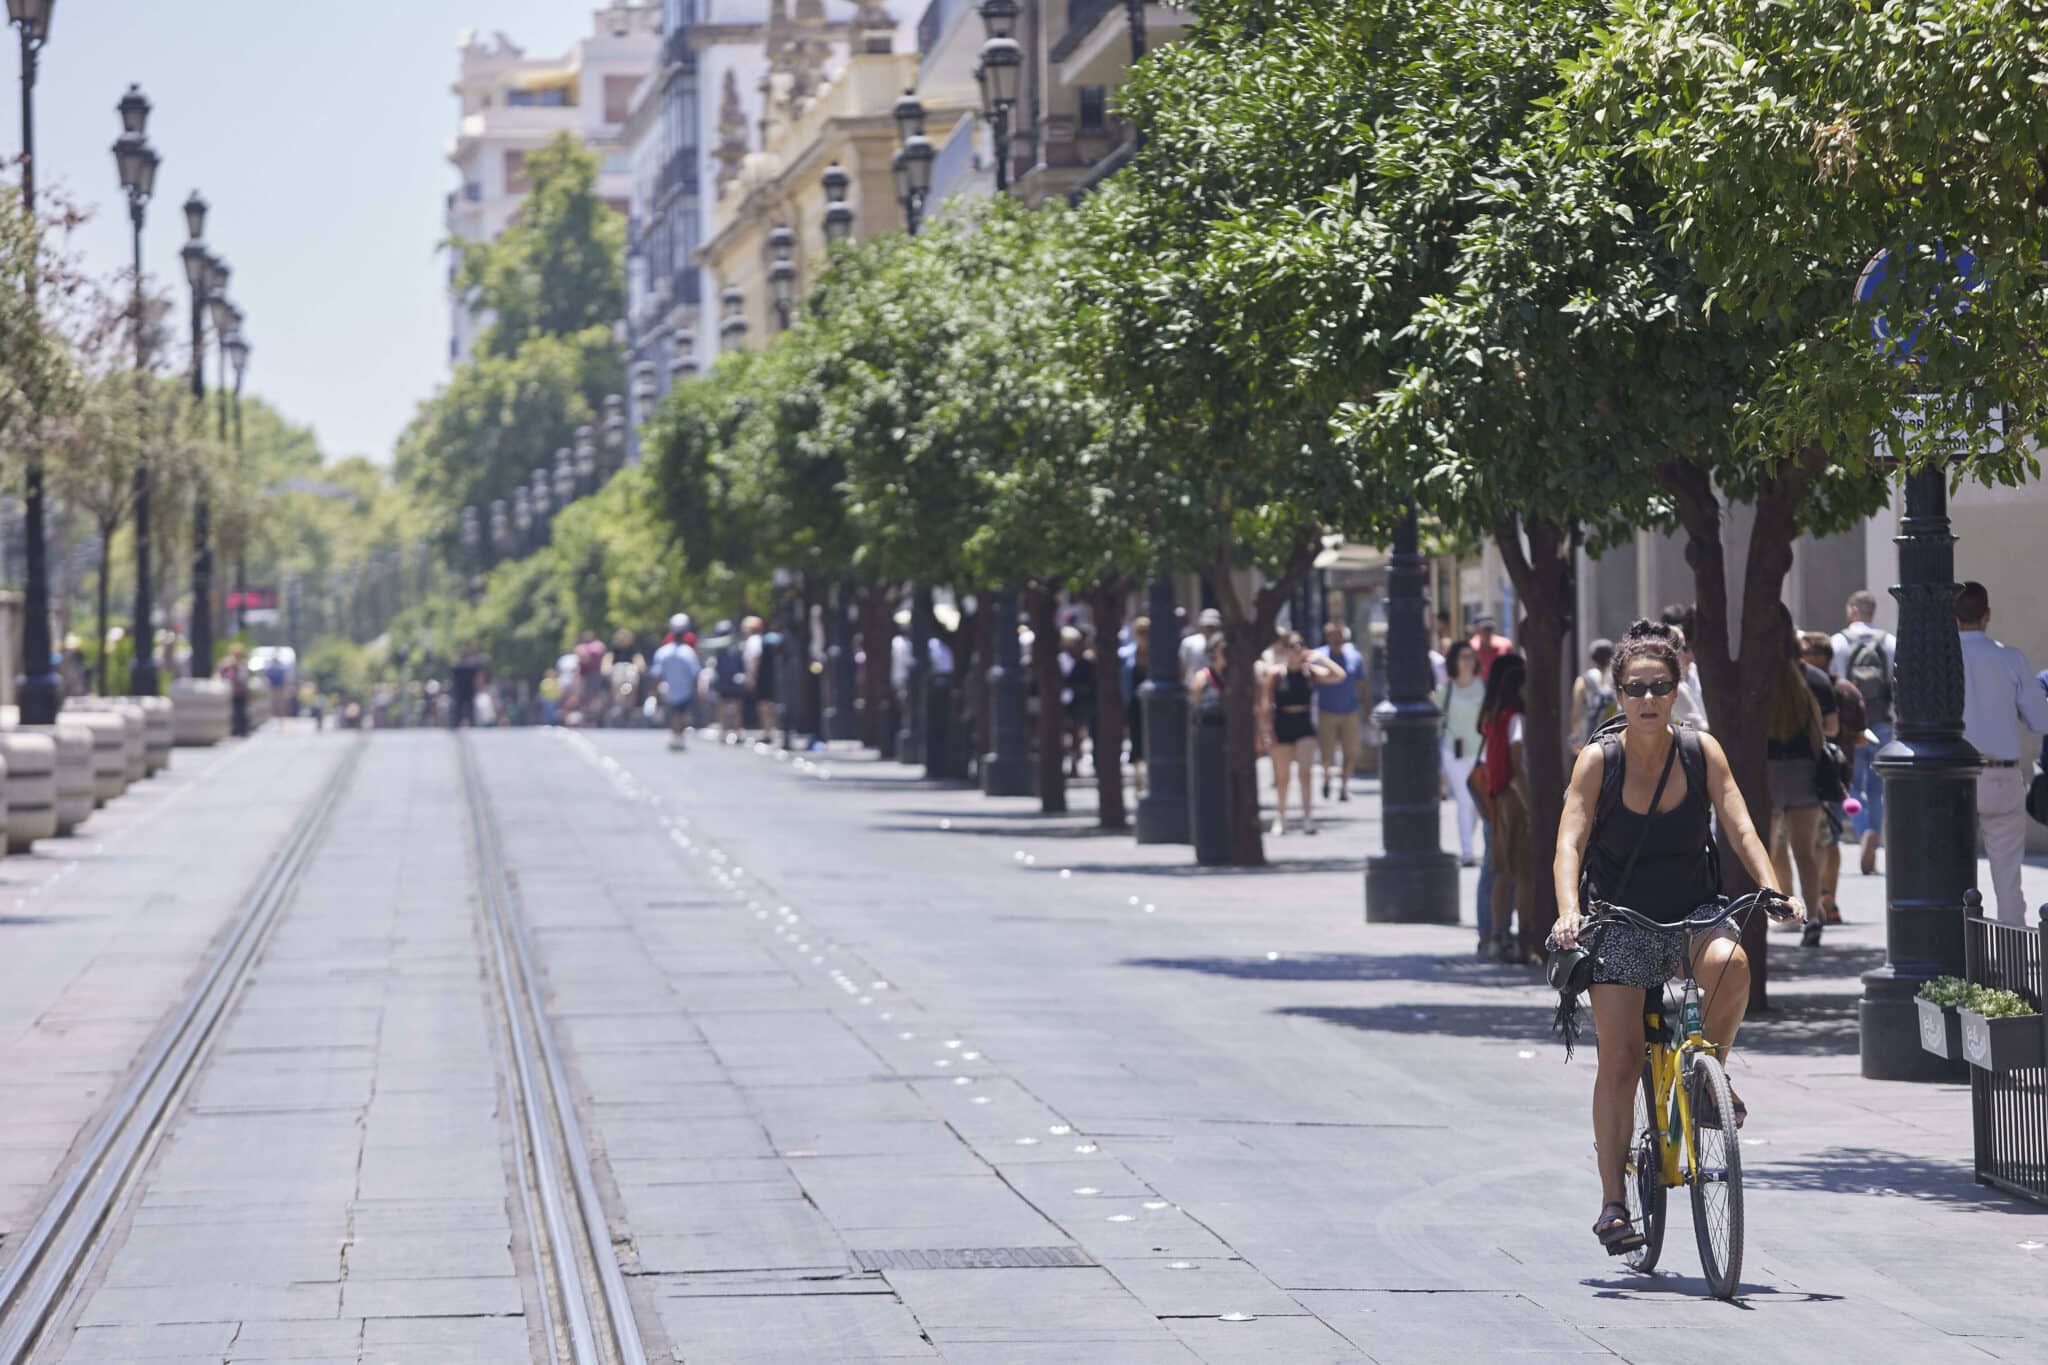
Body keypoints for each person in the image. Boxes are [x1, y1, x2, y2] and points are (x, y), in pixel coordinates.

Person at [1550, 619, 1797, 1257]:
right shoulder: (1597, 761)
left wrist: (1773, 887)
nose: (1649, 699)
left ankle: (1706, 1073)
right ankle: (1612, 1204)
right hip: (1621, 920)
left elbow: (1740, 823)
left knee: (1733, 965)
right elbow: (1569, 842)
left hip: (1693, 913)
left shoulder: (1700, 750)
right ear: (1619, 696)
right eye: (1636, 688)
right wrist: (1569, 911)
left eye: (1660, 686)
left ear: (1677, 688)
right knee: (1621, 1060)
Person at [1958, 582, 2048, 926]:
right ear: (1987, 615)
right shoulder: (2010, 658)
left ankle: (1959, 959)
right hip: (2001, 772)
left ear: (1952, 617)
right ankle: (2012, 967)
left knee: (1953, 872)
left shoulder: (1942, 659)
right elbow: (2041, 721)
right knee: (2008, 877)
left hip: (1955, 775)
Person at [1763, 604, 1837, 947]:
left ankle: (1766, 915)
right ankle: (1812, 918)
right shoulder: (1817, 679)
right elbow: (1830, 728)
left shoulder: (1758, 677)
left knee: (1762, 848)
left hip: (1765, 771)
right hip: (1805, 772)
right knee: (1805, 852)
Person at [1793, 632, 1864, 926]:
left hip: (1808, 771)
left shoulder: (1803, 683)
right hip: (1836, 773)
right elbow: (1860, 735)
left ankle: (1810, 902)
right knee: (1830, 837)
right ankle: (1828, 900)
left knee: (1802, 841)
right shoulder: (1847, 689)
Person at [1830, 589, 1897, 876]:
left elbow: (1836, 683)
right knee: (1877, 788)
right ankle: (1875, 839)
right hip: (1882, 722)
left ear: (1853, 610)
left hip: (1851, 727)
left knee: (1852, 786)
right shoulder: (1889, 641)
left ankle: (1862, 830)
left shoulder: (1839, 641)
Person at [1477, 653, 1530, 961]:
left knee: (1502, 872)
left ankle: (1498, 935)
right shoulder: (1516, 718)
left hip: (1497, 797)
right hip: (1515, 799)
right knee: (1523, 872)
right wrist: (1531, 805)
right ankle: (1523, 940)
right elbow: (1517, 766)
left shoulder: (1493, 715)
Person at [1266, 632, 1343, 836]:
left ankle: (1307, 817)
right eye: (1293, 646)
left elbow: (1339, 675)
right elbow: (1265, 705)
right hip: (1282, 723)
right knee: (1282, 777)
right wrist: (1267, 732)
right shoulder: (1276, 674)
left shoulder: (1311, 671)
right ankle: (1280, 816)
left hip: (1304, 723)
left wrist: (1321, 658)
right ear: (1285, 649)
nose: (1297, 649)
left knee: (1305, 773)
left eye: (1300, 645)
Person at [1437, 641, 1486, 869]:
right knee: (1465, 801)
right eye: (1463, 656)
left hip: (1481, 751)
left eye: (1471, 656)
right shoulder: (1445, 691)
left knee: (1479, 804)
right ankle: (1467, 852)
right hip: (1453, 752)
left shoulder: (1483, 687)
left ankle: (1470, 839)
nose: (1467, 661)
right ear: (1454, 661)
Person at [1313, 621, 1369, 803]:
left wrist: (1367, 708)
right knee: (1326, 752)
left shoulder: (1354, 657)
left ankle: (1344, 785)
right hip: (1327, 711)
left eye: (1339, 635)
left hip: (1350, 711)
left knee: (1351, 751)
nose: (1336, 639)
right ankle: (1327, 777)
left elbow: (1362, 684)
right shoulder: (1319, 656)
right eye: (1332, 635)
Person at [651, 614, 703, 751]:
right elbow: (695, 674)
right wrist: (697, 691)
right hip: (683, 689)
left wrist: (654, 692)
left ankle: (676, 735)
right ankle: (677, 735)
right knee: (680, 713)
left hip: (670, 689)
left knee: (676, 713)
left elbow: (656, 674)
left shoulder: (662, 652)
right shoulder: (688, 652)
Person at [1058, 627, 1096, 778]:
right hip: (1062, 703)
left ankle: (1074, 764)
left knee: (1076, 734)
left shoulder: (1085, 662)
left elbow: (1088, 684)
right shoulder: (1060, 660)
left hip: (1079, 702)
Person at [1571, 639, 1618, 749]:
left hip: (1592, 736)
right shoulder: (1618, 678)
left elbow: (1576, 715)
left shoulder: (1583, 680)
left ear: (1592, 658)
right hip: (1616, 735)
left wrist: (1576, 737)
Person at [1121, 617, 1149, 795]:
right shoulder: (1126, 654)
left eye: (1146, 632)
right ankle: (1138, 780)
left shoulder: (1158, 655)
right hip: (1134, 704)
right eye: (1140, 632)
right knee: (1136, 740)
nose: (1143, 636)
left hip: (1153, 706)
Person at [742, 615, 778, 740]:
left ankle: (768, 731)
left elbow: (755, 658)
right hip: (765, 675)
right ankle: (768, 730)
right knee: (765, 704)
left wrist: (752, 677)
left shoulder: (753, 640)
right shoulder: (760, 639)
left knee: (763, 705)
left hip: (760, 676)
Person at [713, 621, 751, 739]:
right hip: (724, 682)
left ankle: (736, 731)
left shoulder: (737, 649)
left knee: (736, 708)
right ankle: (724, 731)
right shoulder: (719, 650)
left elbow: (742, 665)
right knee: (724, 707)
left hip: (733, 683)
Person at [1181, 608, 1221, 686]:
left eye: (1212, 626)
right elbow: (1183, 667)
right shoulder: (1188, 643)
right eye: (1207, 626)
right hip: (1193, 688)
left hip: (1216, 689)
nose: (1209, 629)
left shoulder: (1223, 644)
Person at [449, 644, 486, 728]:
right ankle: (472, 724)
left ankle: (455, 724)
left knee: (458, 710)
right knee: (470, 709)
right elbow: (479, 675)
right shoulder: (471, 666)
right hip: (469, 691)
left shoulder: (457, 666)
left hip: (460, 691)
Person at [222, 645, 252, 738]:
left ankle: (243, 730)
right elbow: (225, 675)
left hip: (241, 691)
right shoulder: (228, 663)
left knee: (242, 711)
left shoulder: (242, 664)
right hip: (233, 691)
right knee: (235, 711)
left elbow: (244, 677)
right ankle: (235, 730)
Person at [1471, 614, 1514, 679]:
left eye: (1489, 629)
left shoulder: (1505, 645)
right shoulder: (1471, 648)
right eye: (1484, 629)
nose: (1487, 632)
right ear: (1476, 630)